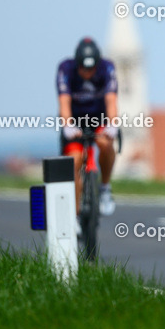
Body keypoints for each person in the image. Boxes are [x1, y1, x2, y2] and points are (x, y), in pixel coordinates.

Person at [56, 37, 118, 216]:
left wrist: (113, 123)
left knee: (106, 144)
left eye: (91, 69)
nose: (87, 73)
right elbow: (64, 101)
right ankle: (74, 214)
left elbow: (111, 100)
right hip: (75, 120)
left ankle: (105, 187)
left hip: (98, 118)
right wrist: (67, 125)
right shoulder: (65, 69)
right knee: (74, 160)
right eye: (84, 68)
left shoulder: (107, 68)